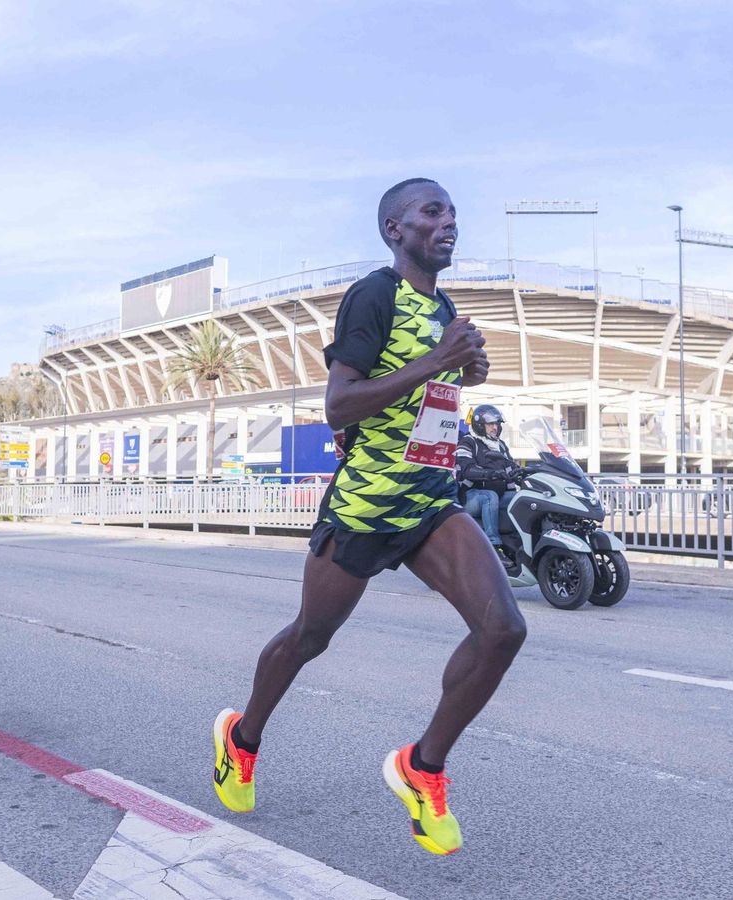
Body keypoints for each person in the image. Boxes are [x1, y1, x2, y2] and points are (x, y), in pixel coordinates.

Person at [212, 179, 527, 856]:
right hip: (365, 506)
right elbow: (340, 405)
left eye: (453, 214)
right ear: (396, 229)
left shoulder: (443, 308)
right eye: (433, 212)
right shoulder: (373, 295)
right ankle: (242, 740)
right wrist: (435, 360)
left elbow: (431, 394)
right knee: (310, 638)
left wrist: (463, 371)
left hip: (429, 500)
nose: (450, 223)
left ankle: (423, 767)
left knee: (502, 629)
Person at [456, 404, 523, 571]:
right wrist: (491, 474)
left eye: (497, 424)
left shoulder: (500, 445)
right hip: (470, 497)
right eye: (491, 424)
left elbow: (510, 467)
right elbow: (466, 469)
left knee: (522, 500)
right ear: (479, 425)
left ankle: (519, 544)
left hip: (498, 495)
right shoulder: (468, 442)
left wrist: (525, 473)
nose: (495, 427)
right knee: (489, 496)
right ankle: (494, 548)